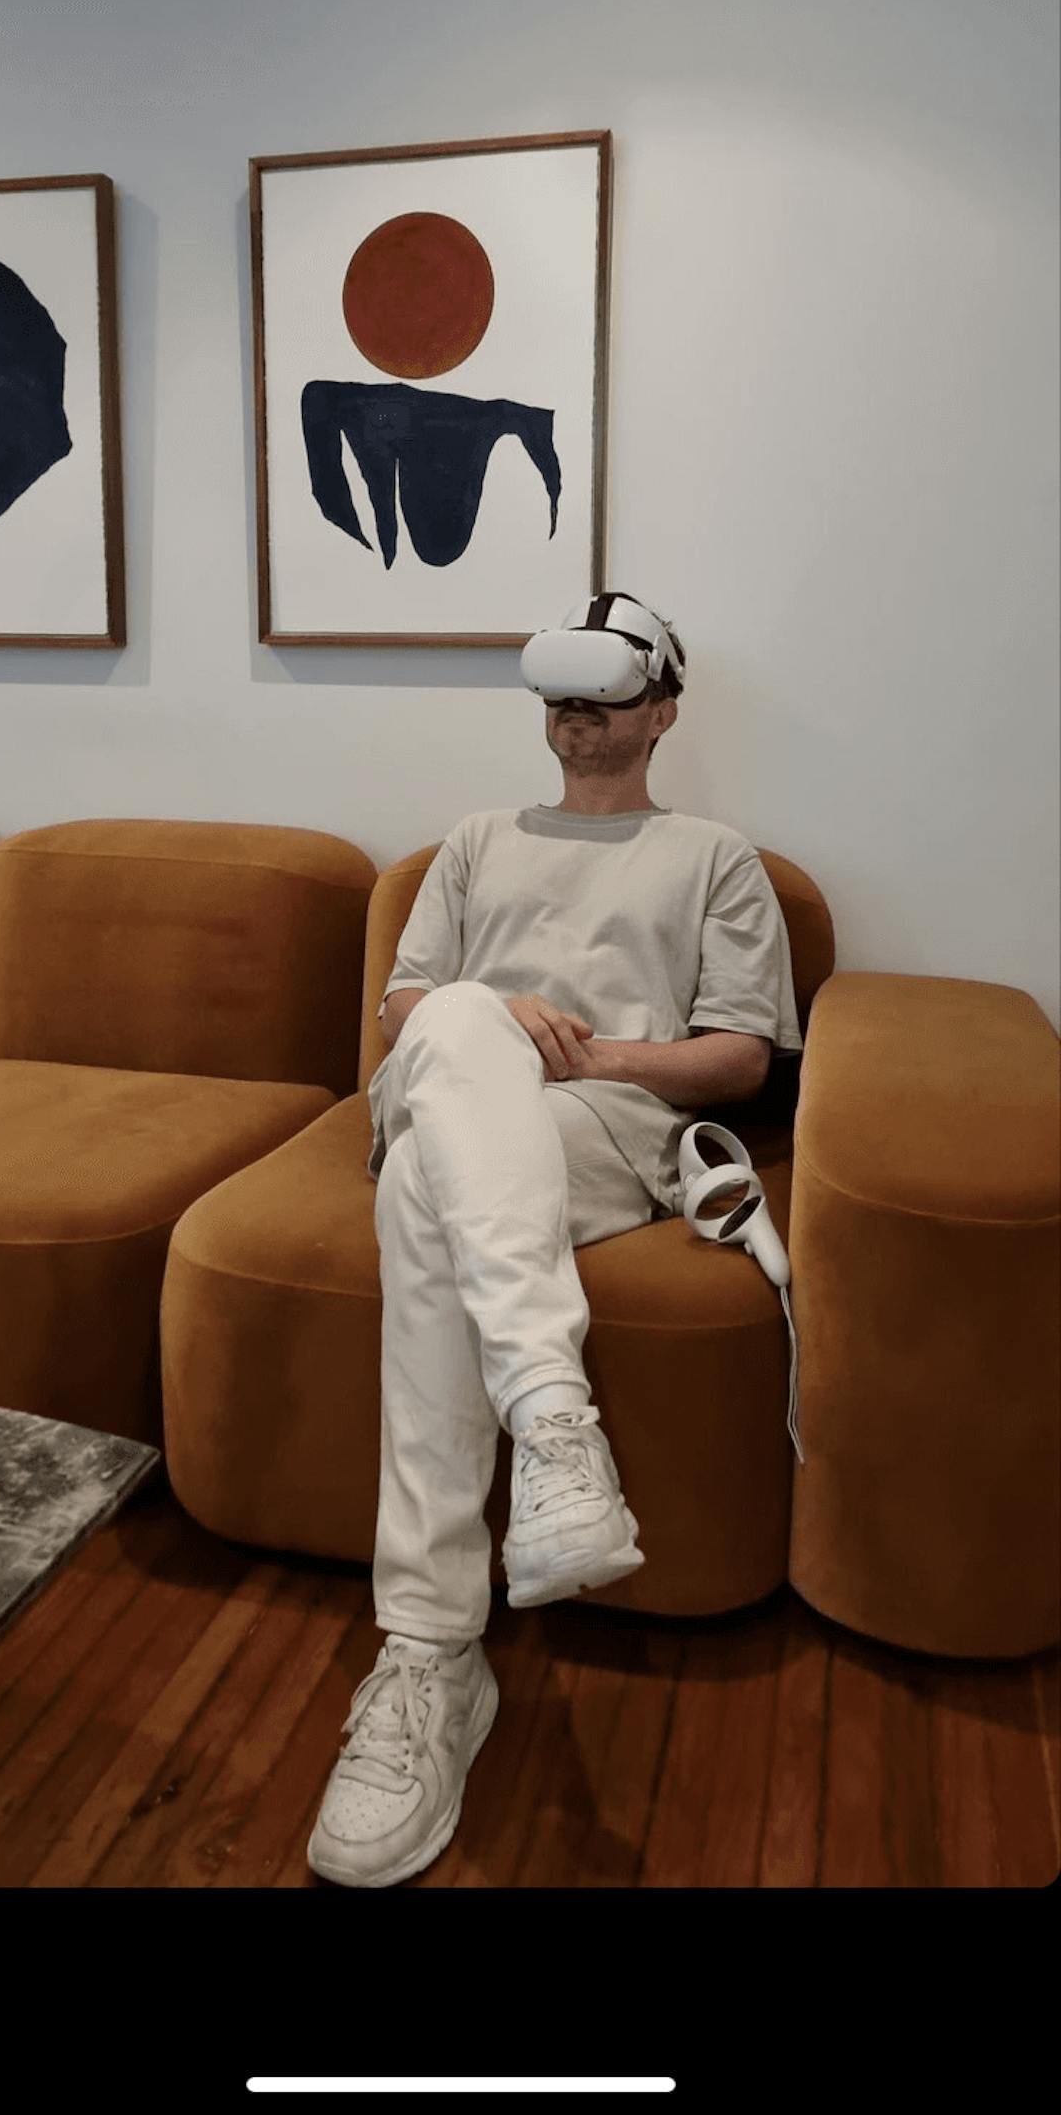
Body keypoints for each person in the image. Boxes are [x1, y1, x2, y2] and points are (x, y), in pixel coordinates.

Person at [306, 598, 803, 1889]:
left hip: (599, 1126)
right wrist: (495, 1022)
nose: (576, 716)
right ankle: (555, 1428)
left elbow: (741, 1057)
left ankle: (429, 1652)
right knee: (456, 1026)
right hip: (454, 1089)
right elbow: (408, 1008)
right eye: (559, 697)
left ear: (663, 711)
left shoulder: (714, 857)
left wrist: (581, 1054)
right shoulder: (473, 842)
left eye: (604, 695)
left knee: (426, 1183)